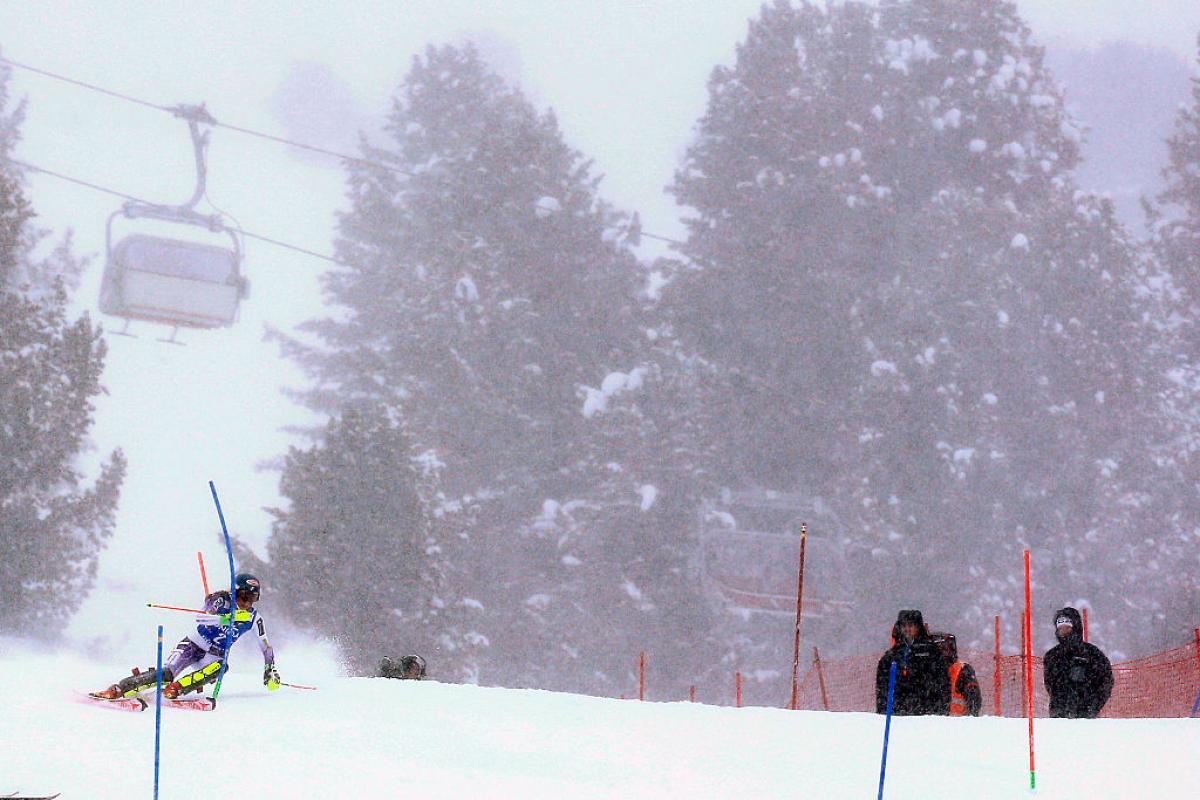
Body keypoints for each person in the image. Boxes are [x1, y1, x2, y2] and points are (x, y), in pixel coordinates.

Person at [91, 573, 280, 701]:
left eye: (252, 599)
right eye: (243, 597)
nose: (246, 603)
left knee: (222, 667)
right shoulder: (221, 600)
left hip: (214, 655)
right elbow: (200, 617)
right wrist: (224, 619)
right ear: (234, 591)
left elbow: (266, 646)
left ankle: (176, 689)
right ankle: (119, 689)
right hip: (194, 643)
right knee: (166, 673)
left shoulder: (254, 618)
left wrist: (269, 668)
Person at [875, 609, 950, 716]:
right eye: (904, 626)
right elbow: (882, 689)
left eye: (911, 625)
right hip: (898, 715)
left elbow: (943, 684)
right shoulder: (890, 656)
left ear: (918, 627)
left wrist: (941, 711)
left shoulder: (932, 652)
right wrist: (882, 711)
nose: (907, 629)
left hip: (927, 714)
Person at [1043, 606, 1112, 718]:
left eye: (1067, 628)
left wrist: (1092, 706)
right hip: (1059, 717)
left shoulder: (1093, 654)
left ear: (1075, 628)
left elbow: (1106, 682)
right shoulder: (1052, 656)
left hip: (1085, 717)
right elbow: (1050, 685)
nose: (1064, 632)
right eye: (1061, 629)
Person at [930, 632, 982, 716]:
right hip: (931, 724)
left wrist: (972, 718)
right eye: (938, 649)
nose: (941, 653)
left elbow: (974, 697)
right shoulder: (927, 671)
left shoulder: (962, 670)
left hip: (957, 724)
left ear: (952, 649)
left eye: (945, 649)